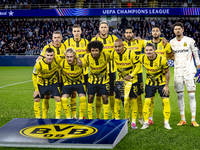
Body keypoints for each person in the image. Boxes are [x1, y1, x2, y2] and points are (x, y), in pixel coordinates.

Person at [170, 22, 200, 127]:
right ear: (173, 31)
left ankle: (193, 119)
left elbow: (196, 55)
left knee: (191, 95)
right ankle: (183, 119)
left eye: (179, 28)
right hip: (178, 71)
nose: (177, 30)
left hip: (189, 71)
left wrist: (199, 69)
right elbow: (170, 55)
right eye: (175, 29)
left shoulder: (190, 41)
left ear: (183, 29)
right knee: (180, 95)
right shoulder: (171, 42)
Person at [145, 26, 173, 125]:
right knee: (150, 99)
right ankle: (150, 118)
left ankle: (166, 121)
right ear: (151, 32)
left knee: (164, 99)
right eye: (153, 31)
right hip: (151, 77)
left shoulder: (166, 44)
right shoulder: (146, 43)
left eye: (157, 31)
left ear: (160, 32)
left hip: (163, 78)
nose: (155, 32)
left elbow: (170, 56)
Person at [139, 43, 171, 130]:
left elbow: (167, 72)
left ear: (154, 50)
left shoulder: (162, 59)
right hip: (150, 84)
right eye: (147, 50)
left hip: (162, 84)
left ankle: (166, 122)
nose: (148, 52)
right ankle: (146, 122)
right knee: (147, 102)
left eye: (150, 50)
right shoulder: (142, 58)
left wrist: (166, 86)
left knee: (166, 101)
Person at [111, 39, 141, 129]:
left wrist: (131, 75)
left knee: (133, 99)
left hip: (132, 81)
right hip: (120, 80)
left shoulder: (131, 53)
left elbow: (138, 66)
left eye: (119, 46)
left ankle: (133, 121)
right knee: (118, 99)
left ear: (123, 45)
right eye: (115, 46)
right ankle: (118, 119)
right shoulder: (113, 54)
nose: (117, 48)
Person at [91, 21, 118, 119]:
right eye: (101, 27)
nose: (103, 29)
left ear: (108, 28)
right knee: (98, 94)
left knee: (111, 93)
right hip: (98, 72)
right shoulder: (94, 40)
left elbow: (121, 48)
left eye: (105, 27)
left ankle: (114, 115)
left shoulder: (114, 39)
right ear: (99, 28)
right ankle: (98, 116)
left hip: (111, 71)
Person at [36, 30, 66, 119]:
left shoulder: (65, 46)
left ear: (61, 38)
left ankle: (68, 117)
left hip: (63, 76)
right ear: (52, 38)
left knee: (63, 97)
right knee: (46, 96)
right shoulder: (47, 47)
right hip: (51, 77)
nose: (57, 39)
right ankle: (44, 117)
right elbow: (39, 59)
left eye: (58, 37)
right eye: (55, 37)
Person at [64, 24, 89, 119]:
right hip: (71, 73)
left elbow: (88, 55)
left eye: (78, 31)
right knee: (73, 94)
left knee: (83, 95)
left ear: (81, 32)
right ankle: (74, 116)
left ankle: (82, 115)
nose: (76, 33)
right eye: (75, 31)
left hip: (84, 73)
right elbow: (64, 53)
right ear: (72, 32)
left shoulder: (86, 42)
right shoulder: (67, 42)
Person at [82, 41, 111, 119]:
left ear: (100, 50)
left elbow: (115, 57)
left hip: (104, 81)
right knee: (90, 98)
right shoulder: (87, 57)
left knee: (105, 98)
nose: (94, 52)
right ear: (90, 50)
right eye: (92, 50)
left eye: (96, 50)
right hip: (92, 81)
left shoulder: (106, 55)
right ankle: (91, 119)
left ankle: (105, 119)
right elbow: (83, 64)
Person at [123, 27, 145, 124]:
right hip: (126, 74)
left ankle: (140, 118)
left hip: (138, 73)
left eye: (130, 32)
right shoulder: (122, 45)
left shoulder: (139, 42)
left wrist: (163, 39)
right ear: (124, 34)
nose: (128, 34)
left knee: (139, 97)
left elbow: (153, 43)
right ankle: (127, 117)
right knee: (126, 97)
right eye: (126, 32)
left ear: (133, 33)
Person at [32, 48, 62, 119]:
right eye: (48, 55)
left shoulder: (57, 60)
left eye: (51, 55)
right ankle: (38, 119)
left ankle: (57, 119)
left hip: (53, 83)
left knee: (58, 99)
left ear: (54, 55)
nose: (49, 57)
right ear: (45, 55)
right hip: (41, 84)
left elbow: (67, 60)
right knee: (36, 99)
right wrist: (36, 90)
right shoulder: (39, 64)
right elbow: (34, 75)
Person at [59, 48, 87, 119]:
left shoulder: (80, 62)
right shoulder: (62, 63)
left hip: (79, 83)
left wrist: (78, 57)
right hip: (67, 84)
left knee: (83, 98)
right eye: (67, 57)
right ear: (65, 56)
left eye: (71, 57)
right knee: (64, 99)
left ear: (74, 56)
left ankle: (81, 118)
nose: (69, 59)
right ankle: (69, 118)